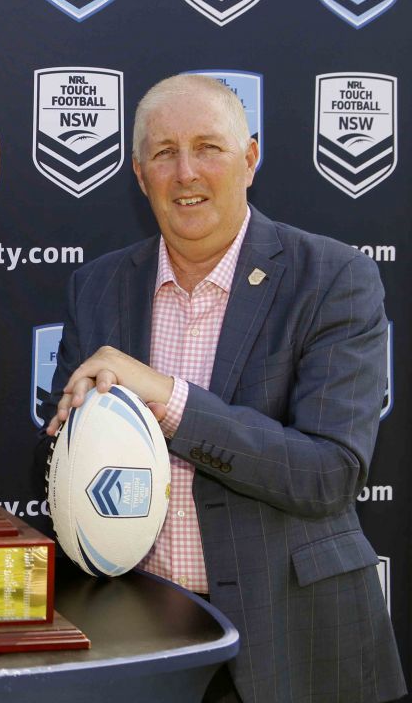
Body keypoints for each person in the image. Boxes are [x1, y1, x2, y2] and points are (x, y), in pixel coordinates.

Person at [44, 74, 404, 703]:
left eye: (209, 147)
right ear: (138, 173)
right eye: (164, 152)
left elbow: (329, 472)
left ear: (250, 159)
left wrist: (171, 401)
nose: (186, 173)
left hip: (297, 640)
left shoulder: (333, 277)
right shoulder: (98, 287)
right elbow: (57, 455)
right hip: (142, 641)